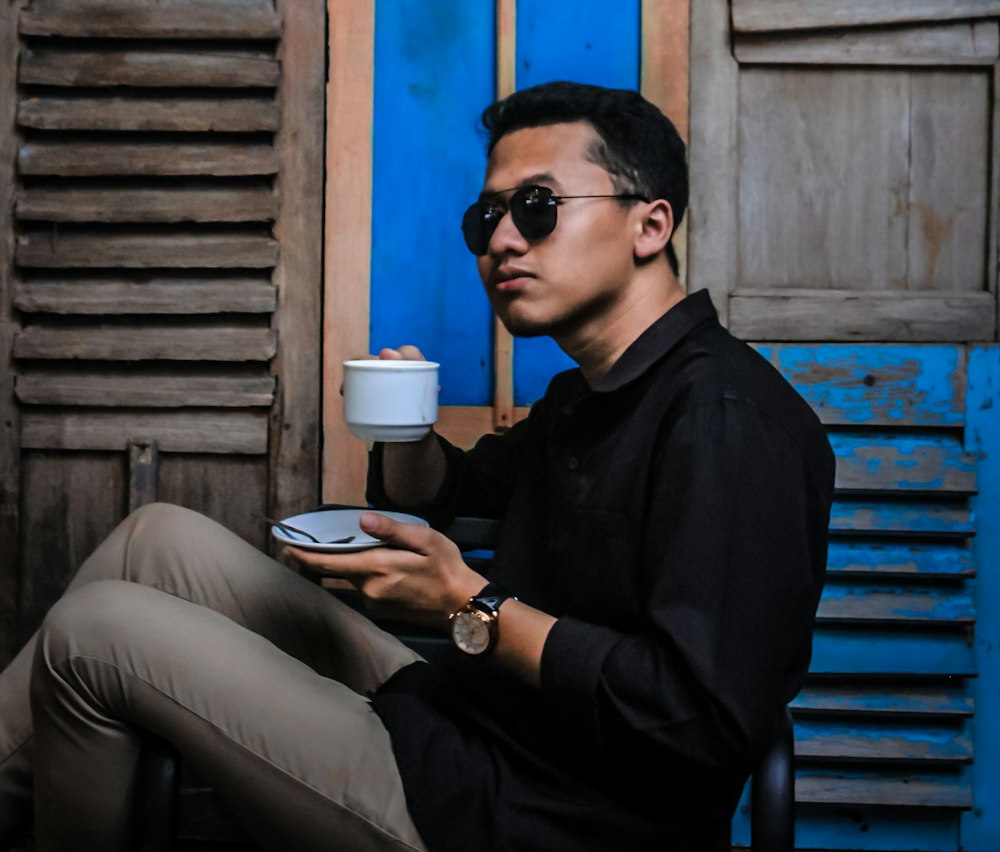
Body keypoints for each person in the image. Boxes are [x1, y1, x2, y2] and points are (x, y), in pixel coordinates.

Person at [0, 81, 834, 852]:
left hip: (535, 813)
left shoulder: (729, 423)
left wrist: (472, 605)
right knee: (158, 540)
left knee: (92, 632)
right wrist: (406, 434)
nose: (501, 241)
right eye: (487, 218)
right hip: (472, 723)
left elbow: (699, 721)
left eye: (537, 208)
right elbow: (455, 498)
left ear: (650, 226)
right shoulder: (591, 394)